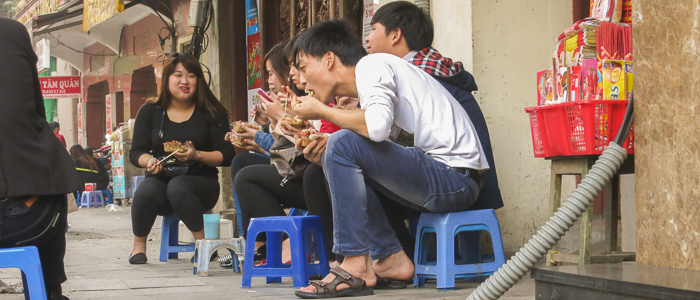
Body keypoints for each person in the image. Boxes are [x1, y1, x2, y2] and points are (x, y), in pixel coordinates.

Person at [290, 20, 488, 298]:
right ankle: (389, 259)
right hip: (441, 178)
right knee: (334, 149)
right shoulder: (370, 84)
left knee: (342, 142)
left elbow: (377, 128)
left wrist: (323, 111)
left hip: (454, 179)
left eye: (303, 67)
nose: (301, 79)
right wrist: (325, 151)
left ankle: (356, 263)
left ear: (330, 59)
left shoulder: (373, 66)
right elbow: (377, 138)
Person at [365, 0, 503, 211]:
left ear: (395, 35)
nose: (367, 37)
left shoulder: (421, 77)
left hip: (457, 182)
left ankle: (401, 245)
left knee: (363, 181)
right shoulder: (431, 68)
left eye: (373, 29)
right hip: (460, 179)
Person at [0, 18, 82, 300]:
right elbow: (33, 109)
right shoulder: (11, 32)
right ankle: (48, 291)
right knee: (50, 181)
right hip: (31, 219)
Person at [128, 53, 235, 264]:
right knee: (147, 188)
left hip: (201, 185)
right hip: (162, 179)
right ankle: (138, 246)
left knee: (178, 186)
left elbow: (228, 155)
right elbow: (136, 152)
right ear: (167, 79)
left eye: (191, 75)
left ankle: (203, 245)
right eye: (178, 75)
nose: (184, 81)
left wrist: (197, 155)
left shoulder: (211, 112)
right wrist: (149, 161)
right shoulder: (150, 112)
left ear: (199, 81)